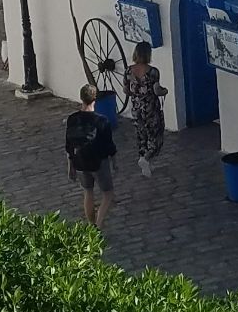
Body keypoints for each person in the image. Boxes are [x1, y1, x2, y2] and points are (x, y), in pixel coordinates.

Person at [64, 84, 116, 228]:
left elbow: (69, 145)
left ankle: (91, 224)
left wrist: (70, 166)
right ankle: (98, 225)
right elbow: (109, 145)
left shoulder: (72, 119)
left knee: (88, 192)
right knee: (108, 194)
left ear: (81, 98)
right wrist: (114, 162)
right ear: (95, 99)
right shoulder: (102, 121)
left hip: (80, 160)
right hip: (98, 161)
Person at [124, 42, 167, 178]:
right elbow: (156, 90)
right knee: (155, 136)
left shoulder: (128, 71)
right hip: (150, 109)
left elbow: (126, 90)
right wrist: (165, 91)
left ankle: (146, 164)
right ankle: (146, 159)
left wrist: (136, 95)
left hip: (136, 109)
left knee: (142, 136)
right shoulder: (153, 72)